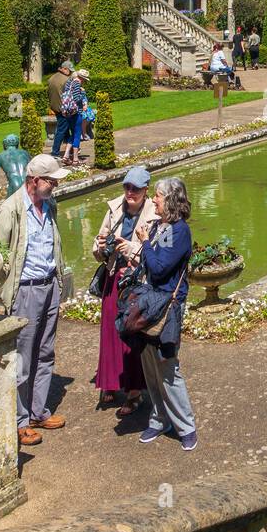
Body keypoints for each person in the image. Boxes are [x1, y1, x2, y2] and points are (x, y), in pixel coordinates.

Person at [0, 153, 71, 448]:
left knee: (45, 352)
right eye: (51, 181)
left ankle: (38, 412)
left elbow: (54, 245)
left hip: (49, 286)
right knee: (22, 358)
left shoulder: (50, 205)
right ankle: (19, 421)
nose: (54, 186)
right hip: (24, 291)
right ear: (34, 180)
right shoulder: (10, 209)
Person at [136, 176, 197, 450]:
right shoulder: (160, 226)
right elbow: (149, 265)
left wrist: (146, 243)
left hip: (168, 307)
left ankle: (186, 425)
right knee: (149, 364)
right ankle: (160, 418)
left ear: (171, 200)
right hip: (150, 303)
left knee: (167, 364)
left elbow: (160, 268)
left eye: (158, 196)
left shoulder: (180, 231)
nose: (153, 200)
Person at [91, 167, 159, 417]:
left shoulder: (155, 213)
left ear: (145, 190)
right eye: (127, 187)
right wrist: (101, 248)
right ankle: (109, 381)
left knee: (131, 336)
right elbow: (97, 246)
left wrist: (129, 247)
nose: (130, 193)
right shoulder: (115, 209)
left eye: (136, 189)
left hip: (137, 281)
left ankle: (133, 392)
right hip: (113, 276)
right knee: (110, 330)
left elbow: (155, 251)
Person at [0, 134, 30, 203]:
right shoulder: (25, 153)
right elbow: (35, 168)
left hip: (15, 186)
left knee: (9, 210)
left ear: (4, 144)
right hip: (29, 185)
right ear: (17, 144)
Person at [62, 69, 90, 167]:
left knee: (73, 134)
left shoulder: (69, 82)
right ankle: (75, 159)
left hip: (68, 112)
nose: (85, 82)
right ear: (81, 78)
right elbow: (76, 98)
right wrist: (83, 93)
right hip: (76, 112)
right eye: (85, 80)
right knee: (77, 135)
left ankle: (65, 156)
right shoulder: (77, 83)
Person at [48, 60, 75, 158]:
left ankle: (70, 151)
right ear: (64, 69)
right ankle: (55, 152)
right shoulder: (66, 80)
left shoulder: (51, 78)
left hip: (55, 107)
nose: (70, 73)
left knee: (65, 129)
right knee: (62, 130)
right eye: (69, 70)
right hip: (64, 109)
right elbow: (69, 96)